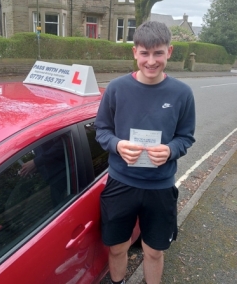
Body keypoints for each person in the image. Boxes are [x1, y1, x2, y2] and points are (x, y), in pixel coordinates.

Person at [94, 21, 196, 284]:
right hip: (121, 183)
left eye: (158, 53)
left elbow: (186, 137)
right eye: (145, 53)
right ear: (134, 53)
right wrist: (117, 145)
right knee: (117, 247)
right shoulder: (116, 89)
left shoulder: (182, 93)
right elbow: (102, 131)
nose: (151, 61)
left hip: (160, 187)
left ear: (169, 52)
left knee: (154, 251)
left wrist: (171, 150)